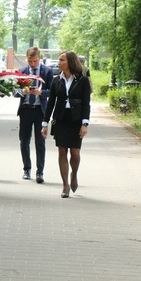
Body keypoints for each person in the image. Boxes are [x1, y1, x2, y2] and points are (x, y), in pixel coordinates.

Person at [42, 51, 91, 198]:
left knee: (75, 152)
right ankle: (65, 185)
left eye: (62, 60)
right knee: (62, 151)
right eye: (59, 60)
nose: (59, 63)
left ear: (70, 62)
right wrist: (45, 123)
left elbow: (86, 103)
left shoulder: (82, 80)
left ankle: (74, 174)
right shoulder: (57, 80)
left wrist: (85, 123)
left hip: (76, 120)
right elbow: (51, 103)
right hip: (61, 119)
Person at [16, 47, 54, 183]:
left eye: (35, 61)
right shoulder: (21, 72)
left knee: (40, 142)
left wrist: (41, 93)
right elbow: (14, 92)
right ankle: (27, 169)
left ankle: (40, 172)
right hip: (26, 109)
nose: (32, 64)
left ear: (40, 58)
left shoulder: (47, 71)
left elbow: (52, 91)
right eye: (30, 61)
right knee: (24, 140)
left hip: (40, 110)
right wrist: (23, 92)